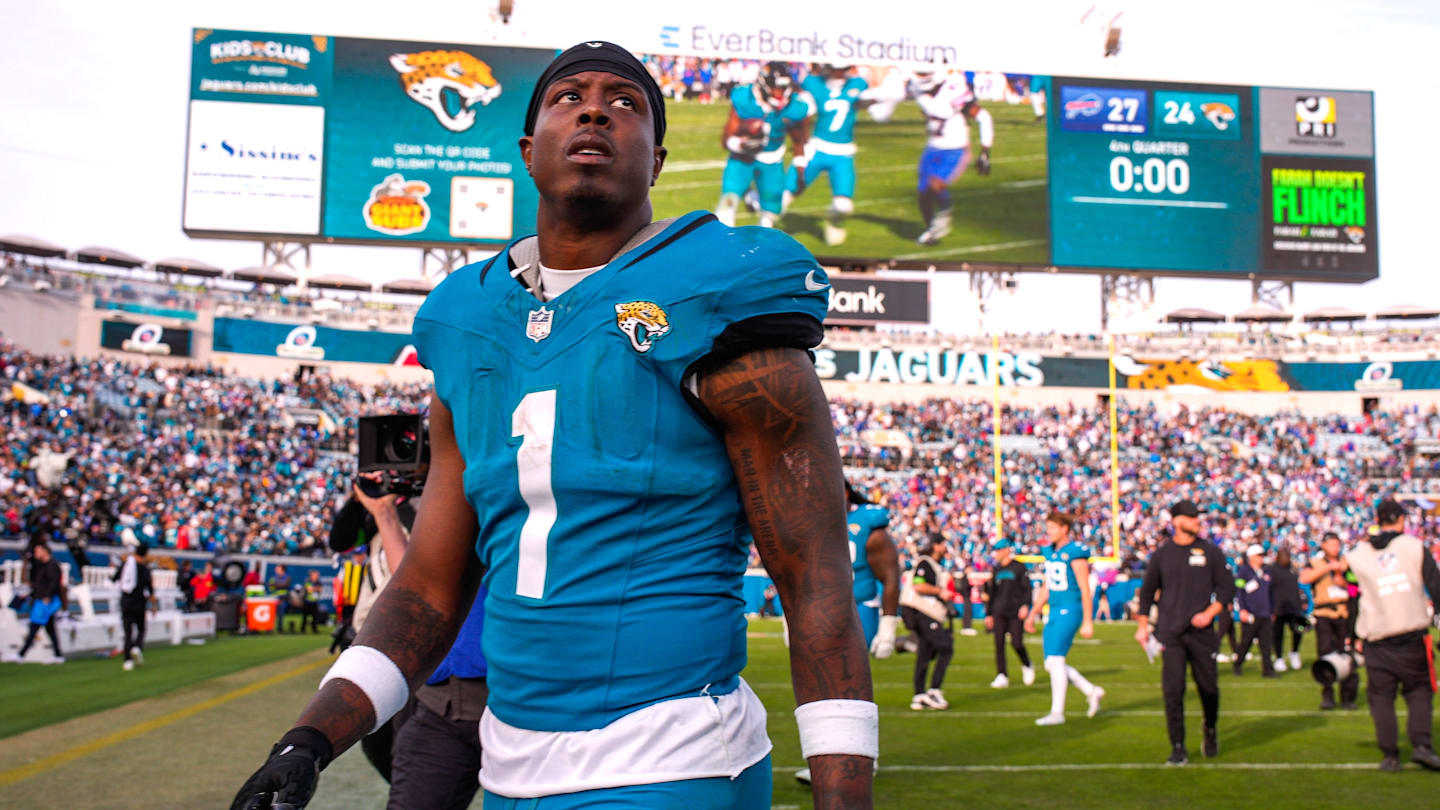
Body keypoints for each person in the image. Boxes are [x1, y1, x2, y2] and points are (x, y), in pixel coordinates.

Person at [232, 41, 872, 810]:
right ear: (529, 151)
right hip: (510, 765)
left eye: (626, 101)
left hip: (673, 758)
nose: (597, 108)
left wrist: (846, 797)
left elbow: (815, 579)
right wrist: (309, 739)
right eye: (569, 96)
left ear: (659, 159)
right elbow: (431, 586)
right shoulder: (467, 320)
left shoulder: (719, 291)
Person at [795, 482, 900, 785]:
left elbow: (890, 575)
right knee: (821, 686)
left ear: (845, 492)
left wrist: (889, 627)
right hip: (823, 611)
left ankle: (864, 759)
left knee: (847, 684)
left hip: (859, 610)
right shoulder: (812, 524)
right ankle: (828, 760)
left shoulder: (868, 524)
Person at [1136, 500, 1235, 765]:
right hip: (1170, 632)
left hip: (1202, 634)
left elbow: (1227, 589)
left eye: (1197, 517)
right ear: (1177, 521)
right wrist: (1143, 625)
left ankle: (1210, 728)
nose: (1196, 522)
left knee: (1208, 689)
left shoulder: (1211, 552)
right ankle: (1177, 746)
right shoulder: (1162, 554)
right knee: (1173, 689)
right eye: (1191, 518)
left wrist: (1210, 613)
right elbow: (1147, 592)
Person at [1346, 500, 1440, 772]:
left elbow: (1353, 595)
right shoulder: (1413, 546)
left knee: (1381, 697)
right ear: (1401, 520)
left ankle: (1390, 755)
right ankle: (1422, 746)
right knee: (1420, 691)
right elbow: (1435, 586)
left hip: (1376, 636)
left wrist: (1352, 634)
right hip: (1411, 633)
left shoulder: (1358, 553)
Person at [1025, 512, 1103, 725]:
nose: (1048, 532)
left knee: (1056, 660)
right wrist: (1033, 613)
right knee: (1051, 663)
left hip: (1071, 608)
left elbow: (1085, 589)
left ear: (1064, 529)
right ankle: (1091, 690)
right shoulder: (1051, 552)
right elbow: (1047, 587)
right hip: (1055, 609)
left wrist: (1088, 620)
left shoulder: (1075, 553)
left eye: (1052, 527)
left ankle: (1057, 712)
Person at [783, 63, 874, 245]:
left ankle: (834, 222)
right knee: (784, 194)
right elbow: (801, 111)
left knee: (843, 206)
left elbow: (883, 101)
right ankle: (764, 232)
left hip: (843, 152)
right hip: (816, 147)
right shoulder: (813, 83)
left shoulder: (858, 83)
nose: (837, 71)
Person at [715, 61, 813, 228]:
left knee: (770, 215)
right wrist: (741, 144)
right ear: (763, 85)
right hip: (742, 159)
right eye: (776, 88)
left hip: (772, 160)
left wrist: (800, 169)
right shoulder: (744, 98)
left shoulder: (795, 107)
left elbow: (799, 139)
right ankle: (724, 250)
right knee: (726, 207)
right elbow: (726, 139)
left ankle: (759, 249)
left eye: (783, 88)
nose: (780, 93)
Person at [909, 65, 993, 245]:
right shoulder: (916, 88)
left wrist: (985, 151)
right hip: (933, 146)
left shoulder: (953, 91)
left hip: (955, 148)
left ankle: (945, 210)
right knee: (923, 193)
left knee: (935, 185)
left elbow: (983, 117)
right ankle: (931, 229)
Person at [1301, 532, 1358, 710]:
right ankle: (1328, 696)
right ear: (1324, 546)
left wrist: (1343, 582)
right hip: (1324, 613)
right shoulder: (1316, 562)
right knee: (1326, 655)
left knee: (1347, 655)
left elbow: (1356, 586)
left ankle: (1347, 697)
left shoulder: (1347, 562)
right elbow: (1304, 578)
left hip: (1344, 613)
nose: (1335, 548)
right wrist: (1327, 568)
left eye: (1337, 544)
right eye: (1331, 544)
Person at [902, 538, 954, 710]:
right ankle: (934, 690)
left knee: (925, 652)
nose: (945, 547)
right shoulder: (926, 563)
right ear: (935, 545)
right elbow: (919, 585)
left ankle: (919, 695)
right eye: (943, 543)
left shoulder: (933, 564)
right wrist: (941, 592)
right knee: (946, 647)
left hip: (923, 613)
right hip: (923, 612)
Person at [984, 538, 1034, 689]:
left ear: (1007, 550)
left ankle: (1026, 664)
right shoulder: (997, 569)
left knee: (1016, 643)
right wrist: (989, 614)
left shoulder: (1019, 567)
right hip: (999, 610)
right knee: (999, 643)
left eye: (999, 550)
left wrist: (1025, 605)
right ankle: (1002, 675)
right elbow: (992, 593)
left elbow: (1027, 589)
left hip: (1015, 611)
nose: (996, 553)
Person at [1232, 544, 1277, 678]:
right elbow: (1239, 591)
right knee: (1246, 642)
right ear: (1251, 557)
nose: (1261, 558)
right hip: (1251, 613)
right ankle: (1237, 664)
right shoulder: (1243, 572)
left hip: (1265, 613)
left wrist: (1272, 610)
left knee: (1266, 644)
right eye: (1259, 555)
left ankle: (1268, 670)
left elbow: (1271, 592)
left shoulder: (1267, 571)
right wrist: (1242, 610)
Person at [14, 541, 64, 663]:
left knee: (34, 627)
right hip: (41, 599)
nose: (35, 553)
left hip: (45, 601)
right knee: (49, 629)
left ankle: (21, 654)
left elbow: (54, 583)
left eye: (37, 551)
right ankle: (58, 655)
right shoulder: (41, 565)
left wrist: (47, 596)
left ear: (44, 551)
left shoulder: (52, 566)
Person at [113, 541, 155, 671]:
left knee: (127, 631)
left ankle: (127, 660)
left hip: (125, 600)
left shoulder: (126, 564)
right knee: (141, 628)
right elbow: (150, 589)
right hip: (138, 602)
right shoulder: (144, 569)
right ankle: (137, 647)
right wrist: (154, 605)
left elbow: (115, 578)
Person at [1269, 548, 1306, 673]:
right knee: (1278, 635)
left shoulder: (1292, 569)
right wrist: (1271, 609)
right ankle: (1279, 658)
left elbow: (1298, 587)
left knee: (1298, 631)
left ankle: (1294, 652)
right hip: (1278, 608)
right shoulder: (1272, 570)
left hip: (1294, 607)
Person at [267, 564, 292, 633]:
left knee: (281, 614)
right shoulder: (273, 577)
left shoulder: (287, 577)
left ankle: (280, 629)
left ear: (282, 569)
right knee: (271, 614)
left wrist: (275, 584)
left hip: (283, 598)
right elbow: (270, 585)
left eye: (278, 568)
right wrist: (278, 585)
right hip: (274, 598)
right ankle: (269, 629)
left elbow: (285, 585)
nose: (276, 570)